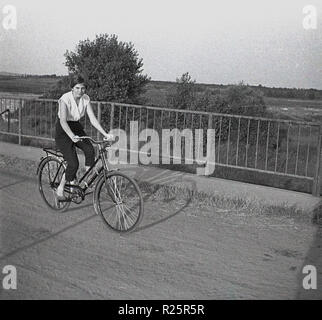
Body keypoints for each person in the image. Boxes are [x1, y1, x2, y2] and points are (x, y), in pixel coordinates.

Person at [55, 75, 113, 199]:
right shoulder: (65, 99)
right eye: (77, 88)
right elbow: (63, 121)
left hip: (76, 126)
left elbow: (92, 119)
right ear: (72, 88)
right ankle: (61, 187)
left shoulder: (85, 99)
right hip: (63, 130)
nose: (80, 91)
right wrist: (71, 136)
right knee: (73, 163)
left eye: (82, 88)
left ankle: (85, 180)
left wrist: (105, 134)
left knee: (90, 150)